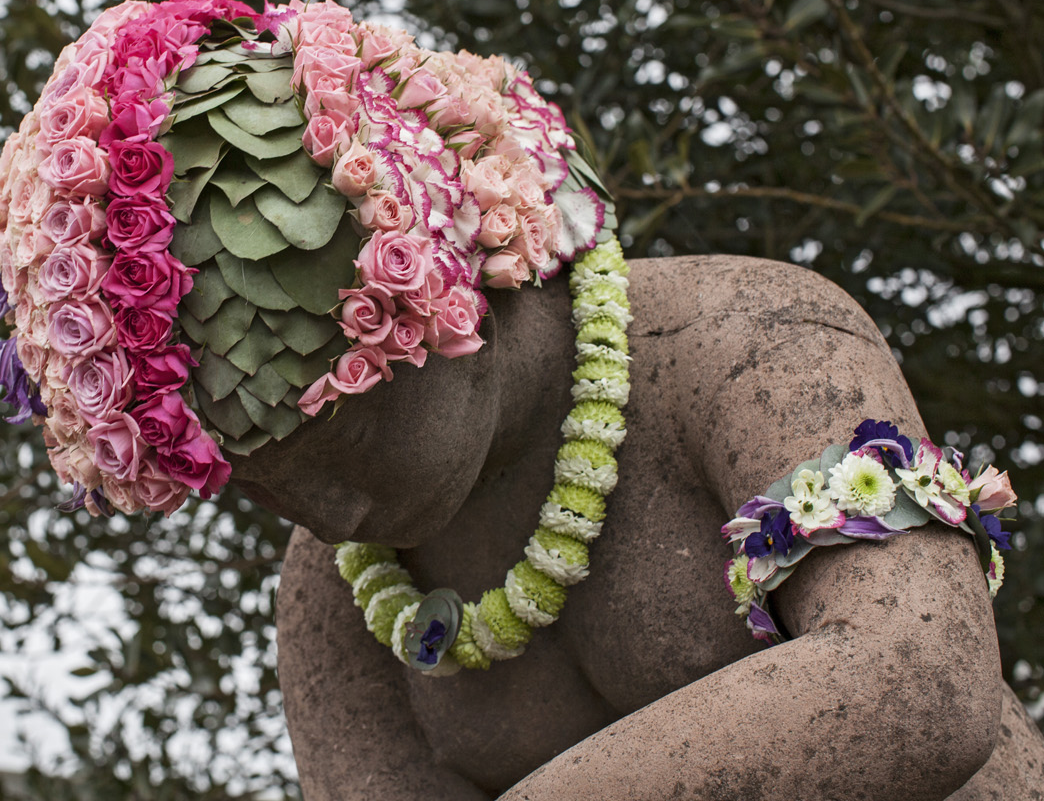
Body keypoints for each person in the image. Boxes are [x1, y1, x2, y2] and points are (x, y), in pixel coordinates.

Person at [248, 254, 1044, 800]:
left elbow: (919, 679)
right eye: (261, 486)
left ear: (450, 302)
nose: (330, 514)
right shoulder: (337, 586)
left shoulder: (746, 333)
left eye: (341, 442)